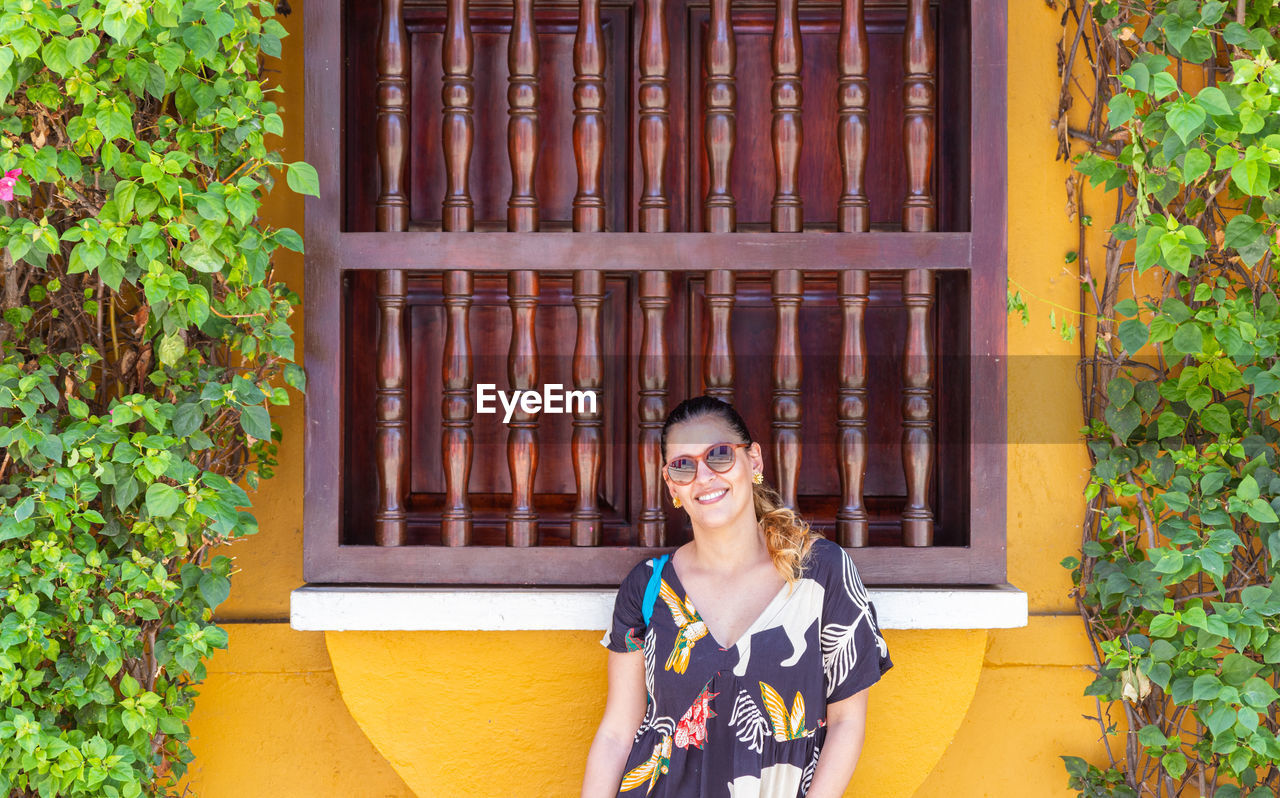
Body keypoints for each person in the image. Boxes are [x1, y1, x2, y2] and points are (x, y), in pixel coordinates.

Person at [581, 395, 893, 798]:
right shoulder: (647, 587)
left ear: (755, 461)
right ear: (671, 484)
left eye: (720, 455)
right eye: (684, 465)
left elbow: (848, 722)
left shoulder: (822, 574)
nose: (704, 475)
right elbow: (617, 733)